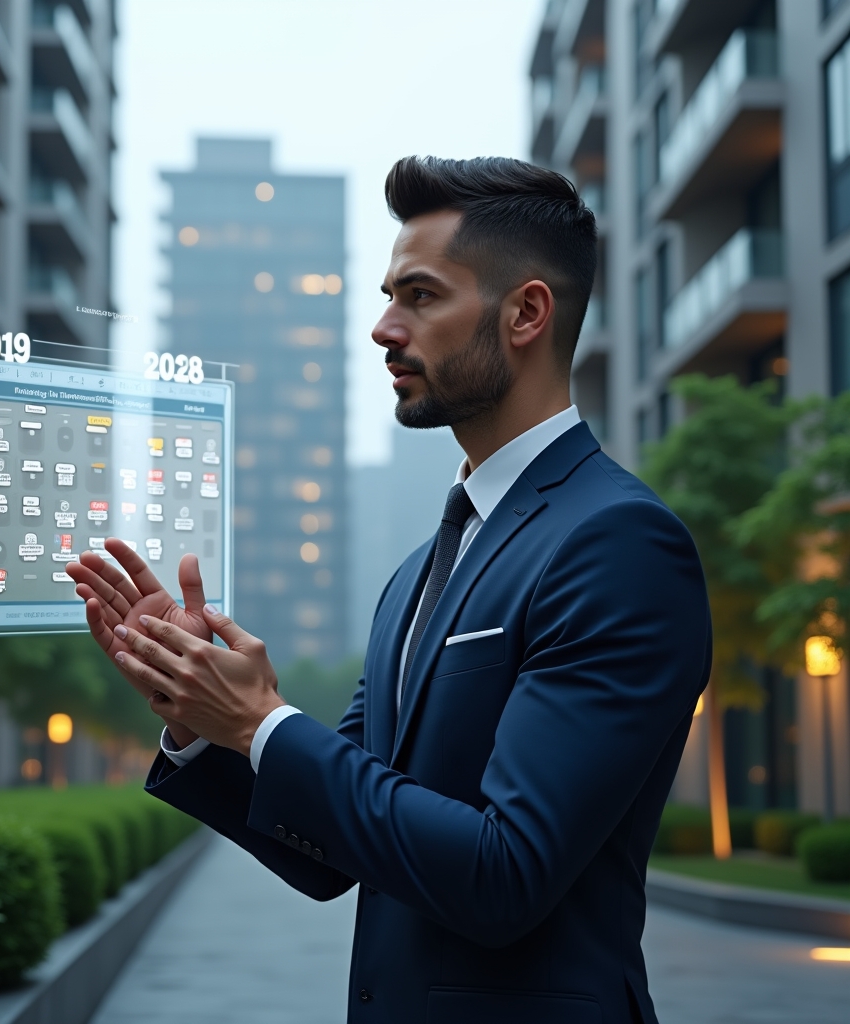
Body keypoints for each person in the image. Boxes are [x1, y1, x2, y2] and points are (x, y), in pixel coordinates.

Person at [66, 156, 711, 1024]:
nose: (381, 328)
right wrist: (198, 720)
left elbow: (504, 873)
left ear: (526, 312)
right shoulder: (417, 573)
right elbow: (331, 855)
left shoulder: (619, 543)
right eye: (387, 296)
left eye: (420, 296)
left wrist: (264, 724)